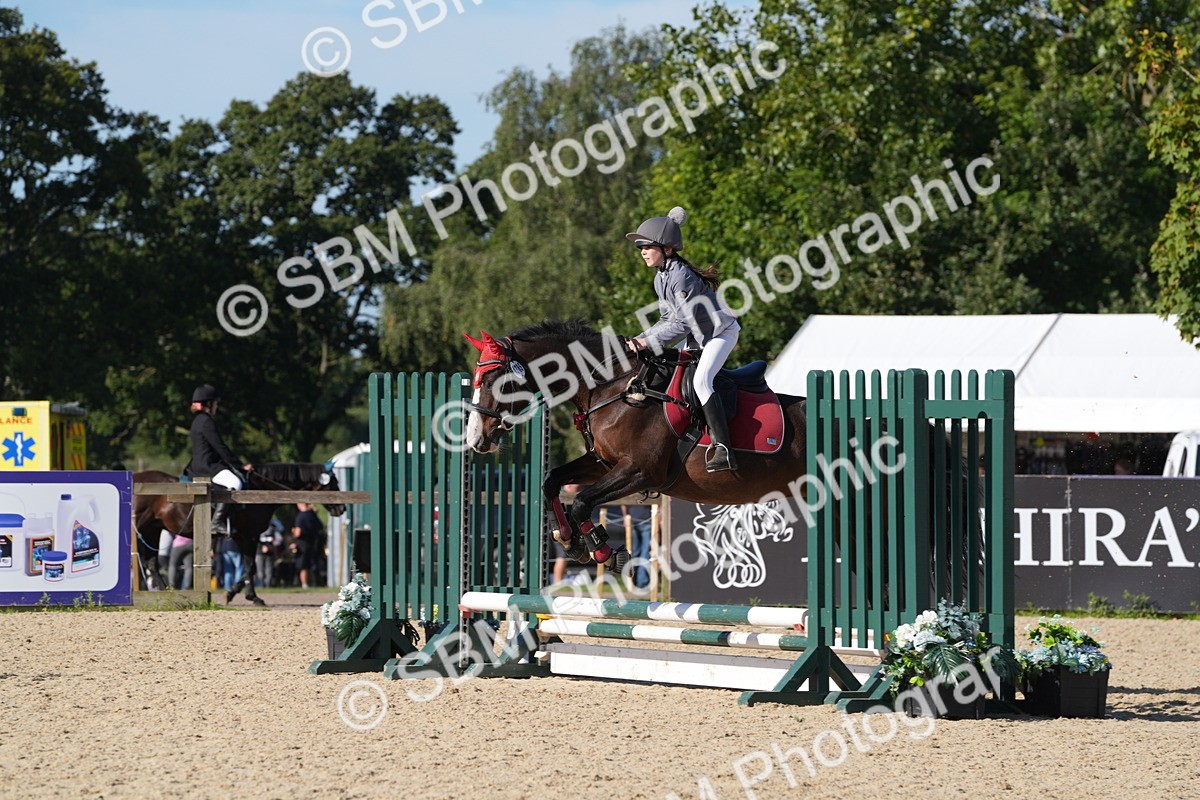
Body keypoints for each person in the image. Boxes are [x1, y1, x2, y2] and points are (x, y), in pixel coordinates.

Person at [625, 206, 741, 472]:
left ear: (666, 248)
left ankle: (723, 448)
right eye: (640, 247)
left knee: (701, 382)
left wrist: (647, 342)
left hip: (720, 334)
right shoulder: (661, 278)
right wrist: (639, 339)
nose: (642, 251)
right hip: (698, 336)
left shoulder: (681, 277)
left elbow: (682, 323)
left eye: (647, 246)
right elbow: (667, 320)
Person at [187, 384, 253, 536]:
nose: (217, 406)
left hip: (200, 464)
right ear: (209, 403)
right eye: (216, 403)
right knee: (236, 483)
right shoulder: (206, 422)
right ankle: (216, 522)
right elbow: (220, 447)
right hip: (207, 466)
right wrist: (240, 466)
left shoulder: (198, 421)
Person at [291, 502, 323, 589]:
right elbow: (320, 527)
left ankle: (305, 584)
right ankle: (315, 583)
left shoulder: (300, 516)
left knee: (303, 566)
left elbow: (298, 532)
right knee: (312, 565)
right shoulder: (313, 515)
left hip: (302, 544)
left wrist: (293, 533)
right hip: (313, 543)